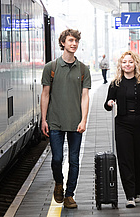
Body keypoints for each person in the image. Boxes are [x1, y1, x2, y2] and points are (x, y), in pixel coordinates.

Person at [40, 29, 91, 209]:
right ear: (63, 43)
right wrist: (43, 119)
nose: (74, 44)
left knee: (74, 160)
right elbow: (45, 95)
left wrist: (84, 119)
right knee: (57, 159)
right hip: (55, 121)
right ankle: (59, 184)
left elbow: (85, 96)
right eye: (70, 40)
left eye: (76, 41)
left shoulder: (84, 69)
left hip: (75, 122)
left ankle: (70, 195)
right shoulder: (51, 68)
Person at [104, 50, 140, 208]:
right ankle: (129, 195)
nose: (127, 64)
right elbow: (107, 104)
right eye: (124, 62)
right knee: (125, 159)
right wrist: (110, 103)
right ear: (121, 64)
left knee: (139, 158)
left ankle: (138, 190)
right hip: (123, 124)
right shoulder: (115, 84)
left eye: (130, 62)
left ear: (136, 64)